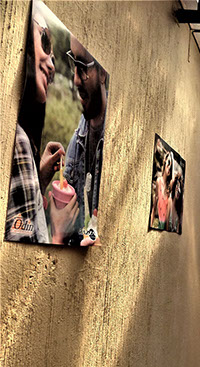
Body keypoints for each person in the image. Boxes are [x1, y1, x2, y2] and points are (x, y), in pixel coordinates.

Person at [5, 7, 78, 244]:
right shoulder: (19, 142)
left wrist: (38, 178)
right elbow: (21, 252)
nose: (53, 66)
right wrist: (59, 233)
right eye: (44, 40)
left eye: (54, 58)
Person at [63, 35, 109, 246]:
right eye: (74, 64)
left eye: (82, 67)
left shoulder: (114, 143)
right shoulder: (76, 143)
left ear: (102, 73)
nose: (75, 80)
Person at [149, 152, 173, 230]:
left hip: (167, 225)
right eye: (168, 164)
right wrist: (150, 224)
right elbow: (154, 206)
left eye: (171, 166)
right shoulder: (159, 181)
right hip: (160, 223)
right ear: (165, 163)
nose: (169, 168)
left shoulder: (169, 186)